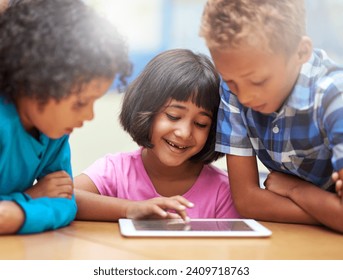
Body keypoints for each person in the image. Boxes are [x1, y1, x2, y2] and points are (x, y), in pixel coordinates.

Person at [199, 0, 343, 233]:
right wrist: (330, 213)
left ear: (301, 52)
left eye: (258, 81)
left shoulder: (334, 97)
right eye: (231, 82)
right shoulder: (234, 90)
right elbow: (247, 201)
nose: (245, 96)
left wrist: (295, 190)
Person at [0, 0, 131, 234]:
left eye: (94, 101)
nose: (89, 115)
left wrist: (17, 213)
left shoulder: (54, 133)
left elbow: (66, 203)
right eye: (80, 102)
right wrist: (29, 198)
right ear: (34, 81)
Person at [74, 49, 240, 222]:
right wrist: (130, 209)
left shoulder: (223, 190)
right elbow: (60, 198)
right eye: (173, 116)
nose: (184, 133)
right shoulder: (115, 171)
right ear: (146, 109)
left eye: (200, 124)